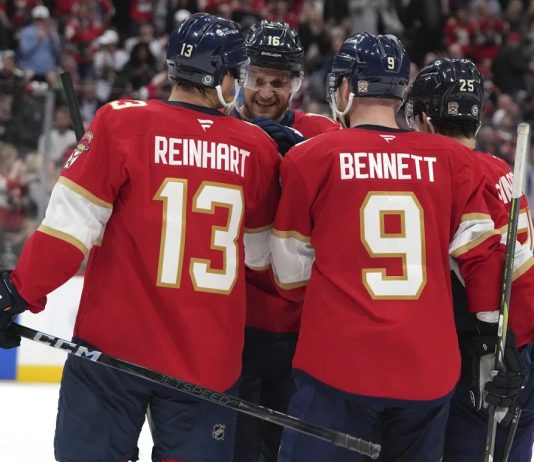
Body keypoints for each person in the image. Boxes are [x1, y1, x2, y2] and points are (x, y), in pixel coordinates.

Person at [0, 12, 281, 462]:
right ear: (222, 73)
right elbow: (267, 262)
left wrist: (16, 292)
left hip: (112, 352)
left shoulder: (120, 123)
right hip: (207, 364)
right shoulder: (258, 149)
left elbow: (66, 236)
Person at [270, 32, 523, 462]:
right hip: (427, 372)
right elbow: (483, 259)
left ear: (346, 89)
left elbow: (290, 277)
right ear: (401, 93)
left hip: (338, 365)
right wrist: (496, 343)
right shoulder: (453, 160)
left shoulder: (311, 157)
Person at [404, 57, 534, 462]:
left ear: (425, 119)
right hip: (525, 342)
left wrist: (488, 347)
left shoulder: (447, 171)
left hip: (490, 350)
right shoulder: (497, 166)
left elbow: (482, 261)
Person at [231, 19, 339, 462]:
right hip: (229, 325)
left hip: (302, 331)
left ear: (296, 83)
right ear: (240, 77)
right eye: (256, 78)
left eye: (278, 81)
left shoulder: (324, 136)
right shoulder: (212, 131)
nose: (265, 91)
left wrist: (301, 156)